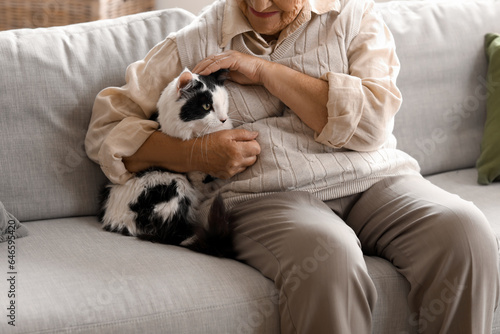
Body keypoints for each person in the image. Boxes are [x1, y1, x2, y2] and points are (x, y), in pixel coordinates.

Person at [85, 0, 500, 332]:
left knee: (465, 231)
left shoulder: (354, 18)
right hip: (269, 196)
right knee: (329, 256)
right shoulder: (197, 41)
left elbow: (373, 124)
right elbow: (105, 129)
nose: (259, 4)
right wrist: (199, 153)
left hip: (375, 176)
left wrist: (268, 72)